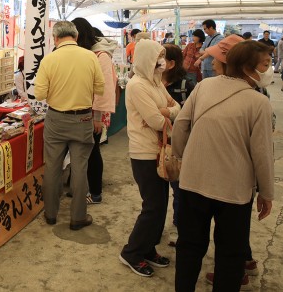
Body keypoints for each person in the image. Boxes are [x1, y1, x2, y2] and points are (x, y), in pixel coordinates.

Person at [173, 40, 275, 292]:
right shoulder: (258, 102)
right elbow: (262, 153)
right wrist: (266, 192)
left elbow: (180, 126)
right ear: (247, 67)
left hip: (192, 182)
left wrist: (184, 159)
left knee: (189, 246)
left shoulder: (204, 86)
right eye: (265, 64)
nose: (269, 69)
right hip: (233, 191)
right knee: (230, 252)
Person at [119, 39, 181, 277]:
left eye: (163, 57)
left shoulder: (155, 82)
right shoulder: (137, 85)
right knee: (152, 207)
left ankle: (147, 248)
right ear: (147, 59)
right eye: (158, 57)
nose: (162, 62)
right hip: (144, 152)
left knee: (159, 206)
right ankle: (131, 252)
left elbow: (177, 108)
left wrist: (165, 112)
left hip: (160, 150)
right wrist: (164, 114)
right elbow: (156, 121)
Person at [35, 21, 105, 230]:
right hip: (82, 119)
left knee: (53, 167)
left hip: (56, 118)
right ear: (75, 36)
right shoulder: (91, 56)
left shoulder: (49, 60)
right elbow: (100, 88)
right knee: (80, 169)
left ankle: (50, 215)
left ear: (55, 38)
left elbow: (39, 94)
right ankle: (78, 217)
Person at [71, 18, 116, 205]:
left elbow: (104, 88)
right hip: (82, 110)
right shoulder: (88, 52)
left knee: (92, 151)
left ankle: (96, 193)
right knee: (82, 152)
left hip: (94, 113)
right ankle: (82, 189)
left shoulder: (101, 55)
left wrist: (97, 116)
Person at [161, 44, 194, 230]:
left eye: (160, 59)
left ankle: (178, 226)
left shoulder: (186, 86)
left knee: (179, 190)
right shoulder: (151, 83)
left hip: (177, 145)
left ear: (171, 63)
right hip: (155, 145)